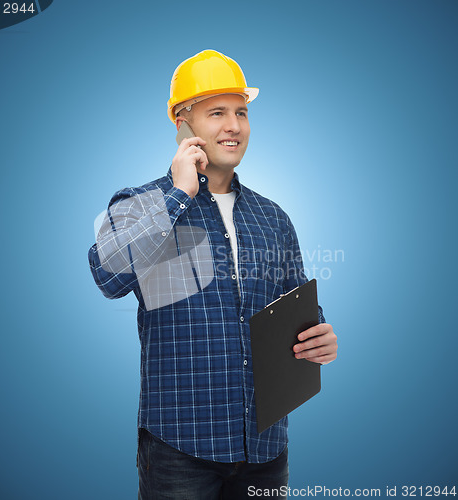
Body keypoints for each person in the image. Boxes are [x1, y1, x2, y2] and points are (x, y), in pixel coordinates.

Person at [88, 49, 338, 500]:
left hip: (264, 448)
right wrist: (179, 193)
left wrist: (319, 336)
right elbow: (108, 276)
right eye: (217, 112)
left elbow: (297, 307)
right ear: (182, 124)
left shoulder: (273, 218)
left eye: (241, 112)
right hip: (179, 450)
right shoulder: (140, 204)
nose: (234, 126)